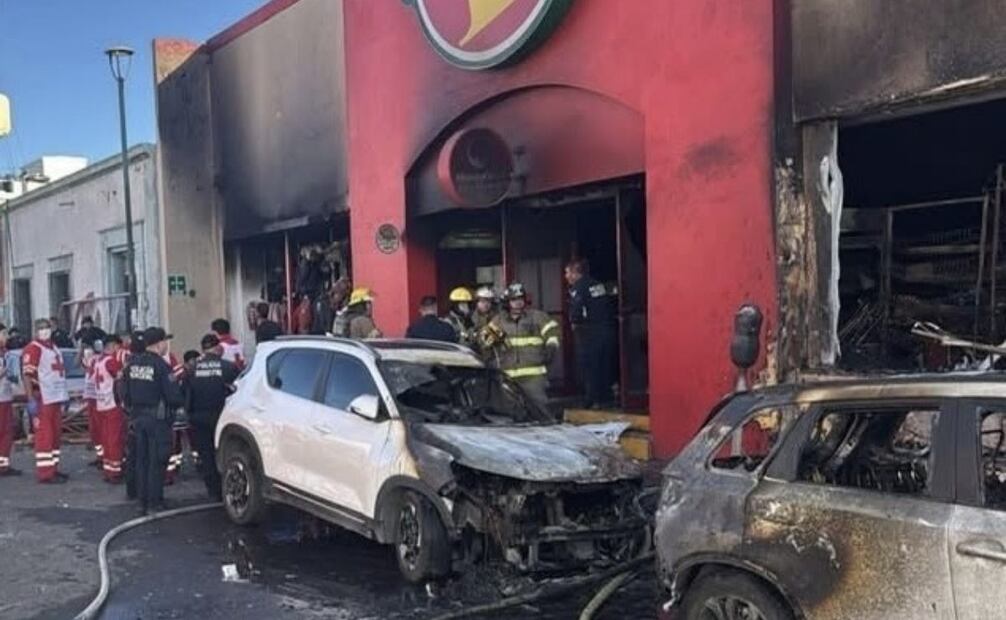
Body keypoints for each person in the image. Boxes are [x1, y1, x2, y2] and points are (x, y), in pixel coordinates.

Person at [121, 327, 184, 515]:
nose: (166, 345)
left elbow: (124, 391)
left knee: (141, 460)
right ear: (158, 343)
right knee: (157, 460)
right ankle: (155, 501)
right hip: (157, 420)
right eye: (165, 341)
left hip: (137, 418)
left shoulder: (132, 364)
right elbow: (173, 396)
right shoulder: (161, 366)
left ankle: (142, 501)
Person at [185, 334, 239, 499]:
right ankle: (228, 489)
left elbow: (187, 396)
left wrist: (189, 415)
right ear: (218, 348)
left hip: (199, 418)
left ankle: (213, 492)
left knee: (206, 456)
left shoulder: (192, 369)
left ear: (202, 349)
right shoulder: (228, 367)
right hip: (222, 416)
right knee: (226, 452)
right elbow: (239, 390)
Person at [492, 283, 560, 408]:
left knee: (539, 409)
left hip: (533, 377)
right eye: (514, 299)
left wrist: (551, 347)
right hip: (508, 376)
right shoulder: (498, 321)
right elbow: (485, 342)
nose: (518, 302)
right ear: (507, 302)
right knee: (510, 411)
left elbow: (552, 333)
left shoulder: (538, 317)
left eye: (520, 299)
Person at [22, 318, 70, 483]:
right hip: (42, 397)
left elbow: (58, 373)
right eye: (41, 328)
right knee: (45, 436)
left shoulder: (54, 348)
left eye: (47, 327)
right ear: (36, 331)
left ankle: (54, 468)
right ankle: (45, 473)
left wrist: (65, 395)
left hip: (55, 397)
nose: (45, 331)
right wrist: (30, 399)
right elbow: (27, 375)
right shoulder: (34, 348)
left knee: (55, 436)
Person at [565, 259, 617, 409]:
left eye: (568, 272)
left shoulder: (578, 288)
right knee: (604, 363)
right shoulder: (597, 284)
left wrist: (575, 323)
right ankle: (606, 397)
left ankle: (591, 398)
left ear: (576, 273)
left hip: (589, 332)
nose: (566, 276)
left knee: (590, 366)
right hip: (605, 329)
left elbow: (576, 309)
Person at [93, 336, 125, 483]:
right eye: (117, 347)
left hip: (101, 404)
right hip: (112, 404)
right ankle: (115, 472)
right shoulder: (111, 361)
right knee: (114, 439)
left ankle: (108, 470)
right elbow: (120, 379)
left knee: (106, 439)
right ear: (112, 346)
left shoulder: (98, 361)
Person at [0, 324, 20, 476]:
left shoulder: (5, 353)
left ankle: (4, 464)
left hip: (6, 396)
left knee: (7, 432)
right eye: (3, 334)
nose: (6, 337)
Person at [81, 345, 102, 467]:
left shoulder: (104, 360)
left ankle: (105, 457)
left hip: (100, 398)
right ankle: (100, 455)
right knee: (94, 430)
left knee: (102, 429)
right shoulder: (91, 360)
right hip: (91, 397)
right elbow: (81, 364)